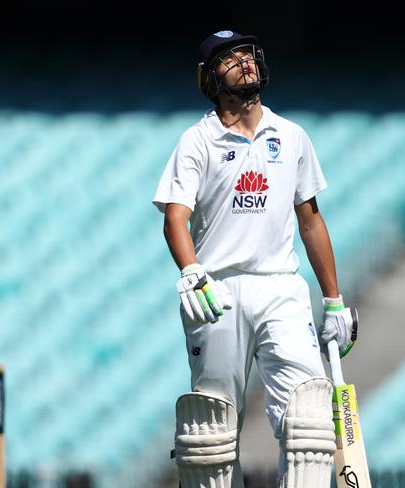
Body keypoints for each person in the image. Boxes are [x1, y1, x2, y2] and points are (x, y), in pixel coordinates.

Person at [152, 30, 359, 488]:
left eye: (247, 54)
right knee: (211, 434)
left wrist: (335, 301)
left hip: (281, 287)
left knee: (308, 419)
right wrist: (192, 272)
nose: (244, 62)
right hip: (217, 292)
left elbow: (311, 222)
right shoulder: (197, 141)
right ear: (209, 78)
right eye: (230, 58)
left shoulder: (291, 136)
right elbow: (175, 218)